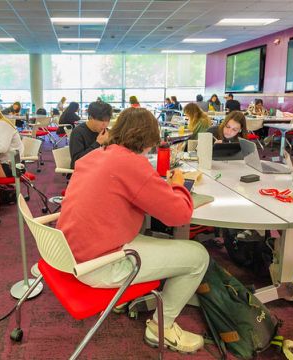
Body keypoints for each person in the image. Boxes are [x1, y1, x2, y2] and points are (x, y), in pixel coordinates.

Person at [57, 107, 209, 353]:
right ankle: (162, 327)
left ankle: (128, 301)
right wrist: (179, 185)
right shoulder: (132, 164)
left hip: (69, 252)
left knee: (149, 236)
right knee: (198, 255)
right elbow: (179, 215)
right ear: (149, 139)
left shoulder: (96, 155)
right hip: (98, 265)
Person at [69, 101, 112, 169]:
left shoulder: (106, 132)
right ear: (91, 117)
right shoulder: (78, 132)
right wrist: (98, 143)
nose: (105, 124)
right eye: (101, 121)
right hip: (84, 171)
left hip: (101, 168)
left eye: (107, 120)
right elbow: (76, 161)